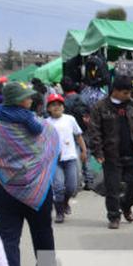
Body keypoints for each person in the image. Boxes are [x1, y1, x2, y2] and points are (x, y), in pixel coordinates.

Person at [0, 83, 60, 266]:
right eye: (27, 97)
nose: (31, 99)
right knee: (42, 230)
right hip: (39, 189)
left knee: (9, 237)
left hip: (5, 189)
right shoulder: (43, 127)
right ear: (20, 101)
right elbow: (53, 147)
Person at [89, 76, 133, 229]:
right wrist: (98, 152)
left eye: (130, 93)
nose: (128, 96)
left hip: (131, 152)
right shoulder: (100, 107)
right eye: (125, 93)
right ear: (115, 91)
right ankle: (114, 216)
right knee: (112, 188)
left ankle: (126, 205)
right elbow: (94, 132)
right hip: (111, 155)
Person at [46, 94, 87, 223]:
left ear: (63, 107)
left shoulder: (70, 119)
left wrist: (84, 150)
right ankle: (59, 212)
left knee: (71, 187)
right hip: (54, 160)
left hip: (70, 157)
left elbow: (78, 136)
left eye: (59, 105)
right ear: (48, 108)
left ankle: (65, 202)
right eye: (53, 105)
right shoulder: (46, 123)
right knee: (58, 186)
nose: (57, 107)